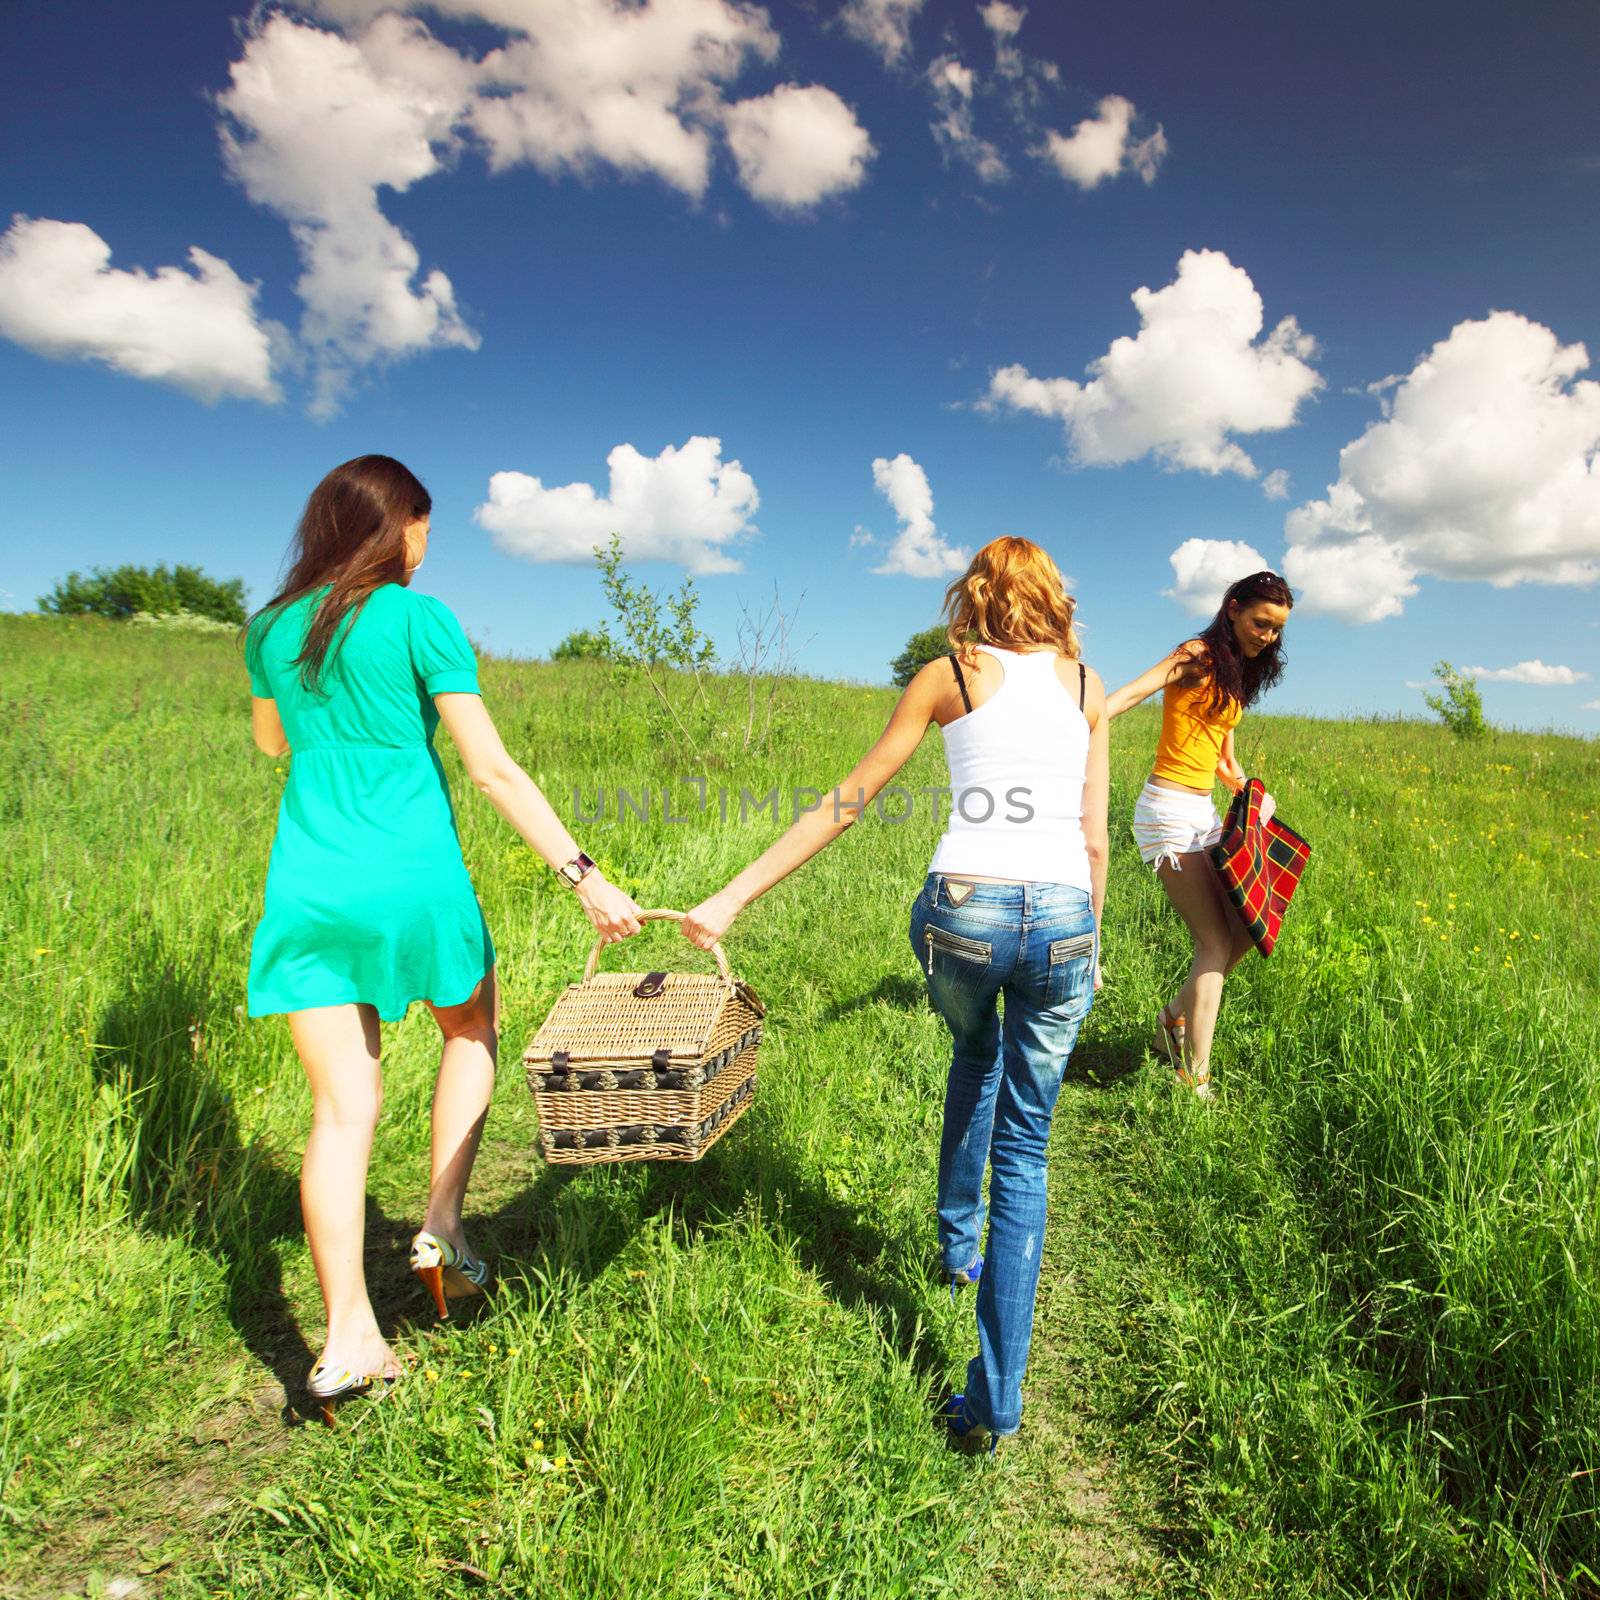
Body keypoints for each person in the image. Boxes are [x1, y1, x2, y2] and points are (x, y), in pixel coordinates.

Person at [680, 537, 1108, 1453]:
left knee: (972, 1045)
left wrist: (731, 896)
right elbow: (1095, 836)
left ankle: (958, 1244)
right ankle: (996, 1396)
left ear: (977, 595)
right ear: (1053, 598)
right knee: (1027, 1151)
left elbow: (852, 796)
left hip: (965, 918)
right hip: (1068, 917)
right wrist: (1089, 944)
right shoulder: (1087, 686)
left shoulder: (948, 673)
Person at [243, 455, 643, 1418]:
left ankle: (347, 1340)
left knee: (342, 1112)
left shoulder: (268, 630)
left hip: (310, 890)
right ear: (399, 525)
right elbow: (492, 769)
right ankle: (442, 1226)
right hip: (416, 880)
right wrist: (585, 878)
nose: (425, 547)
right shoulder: (422, 619)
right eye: (423, 528)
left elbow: (273, 744)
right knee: (469, 1031)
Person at [1104, 570, 1293, 1098]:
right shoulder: (1197, 655)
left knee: (1241, 933)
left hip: (1204, 812)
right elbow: (1135, 692)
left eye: (1276, 630)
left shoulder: (1234, 675)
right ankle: (1195, 1077)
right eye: (1261, 622)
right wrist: (1083, 718)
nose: (1267, 636)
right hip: (1167, 811)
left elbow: (1224, 761)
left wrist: (1250, 789)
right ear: (1233, 608)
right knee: (1213, 941)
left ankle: (1172, 1020)